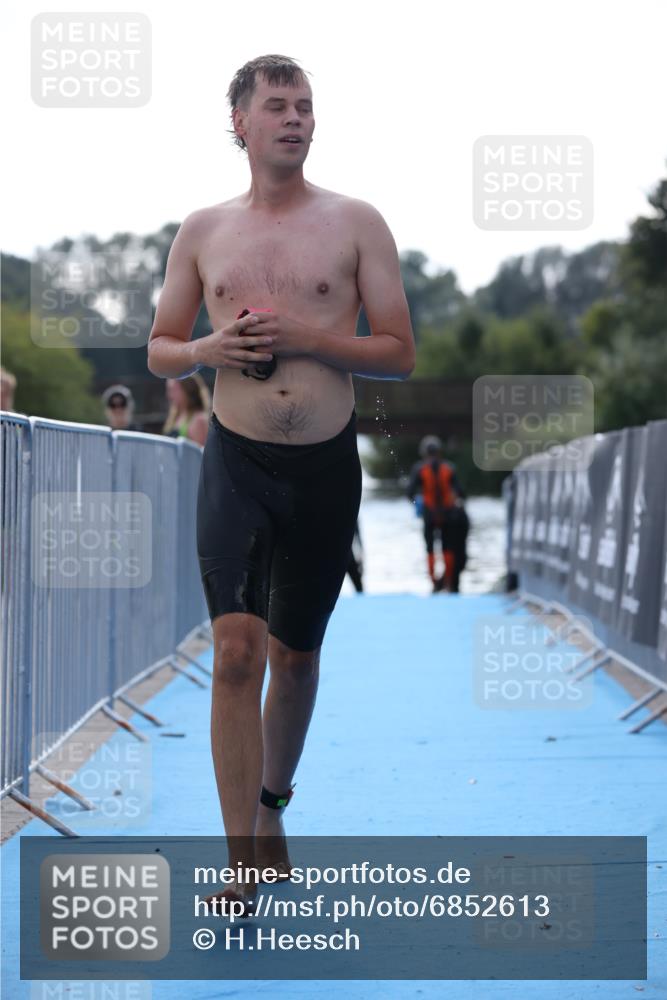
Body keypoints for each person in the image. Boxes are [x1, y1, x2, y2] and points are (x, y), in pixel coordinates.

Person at [146, 54, 415, 916]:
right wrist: (204, 351)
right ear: (240, 124)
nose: (295, 118)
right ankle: (237, 861)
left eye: (305, 106)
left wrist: (304, 333)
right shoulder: (202, 230)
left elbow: (400, 356)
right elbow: (159, 344)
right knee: (235, 654)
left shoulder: (355, 222)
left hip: (325, 465)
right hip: (235, 458)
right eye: (277, 106)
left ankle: (271, 811)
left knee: (296, 660)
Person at [408, 435, 469, 594]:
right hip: (448, 515)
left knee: (430, 548)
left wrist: (417, 504)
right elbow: (461, 493)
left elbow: (409, 493)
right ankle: (448, 583)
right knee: (447, 547)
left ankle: (434, 583)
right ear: (439, 452)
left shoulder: (419, 469)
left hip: (429, 515)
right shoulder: (449, 468)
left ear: (424, 452)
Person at [162, 374, 210, 446]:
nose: (169, 395)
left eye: (173, 389)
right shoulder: (175, 417)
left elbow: (199, 454)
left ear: (187, 390)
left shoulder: (199, 419)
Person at [346, 520, 364, 593]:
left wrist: (360, 556)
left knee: (359, 586)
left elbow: (358, 538)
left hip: (349, 556)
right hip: (346, 555)